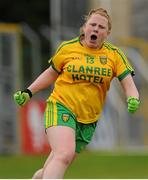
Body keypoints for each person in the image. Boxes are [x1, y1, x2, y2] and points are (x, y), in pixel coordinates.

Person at [13, 7, 140, 179]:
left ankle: (39, 177)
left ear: (107, 33)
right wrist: (29, 91)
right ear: (85, 28)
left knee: (58, 161)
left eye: (101, 27)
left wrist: (133, 98)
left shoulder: (114, 55)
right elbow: (51, 73)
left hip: (88, 119)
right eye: (92, 24)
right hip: (61, 107)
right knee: (64, 154)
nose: (96, 29)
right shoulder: (67, 48)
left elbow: (128, 84)